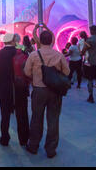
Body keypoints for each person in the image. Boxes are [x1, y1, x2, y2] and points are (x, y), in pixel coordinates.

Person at [24, 24, 69, 158]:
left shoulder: (33, 55)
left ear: (40, 41)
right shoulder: (59, 55)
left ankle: (33, 145)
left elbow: (26, 71)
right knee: (53, 119)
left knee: (36, 118)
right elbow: (67, 71)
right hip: (55, 91)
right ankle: (50, 149)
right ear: (51, 40)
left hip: (39, 90)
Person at [0, 33, 29, 147]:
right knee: (21, 113)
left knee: (5, 113)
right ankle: (24, 139)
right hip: (20, 87)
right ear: (13, 41)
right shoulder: (21, 52)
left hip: (4, 88)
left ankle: (4, 138)